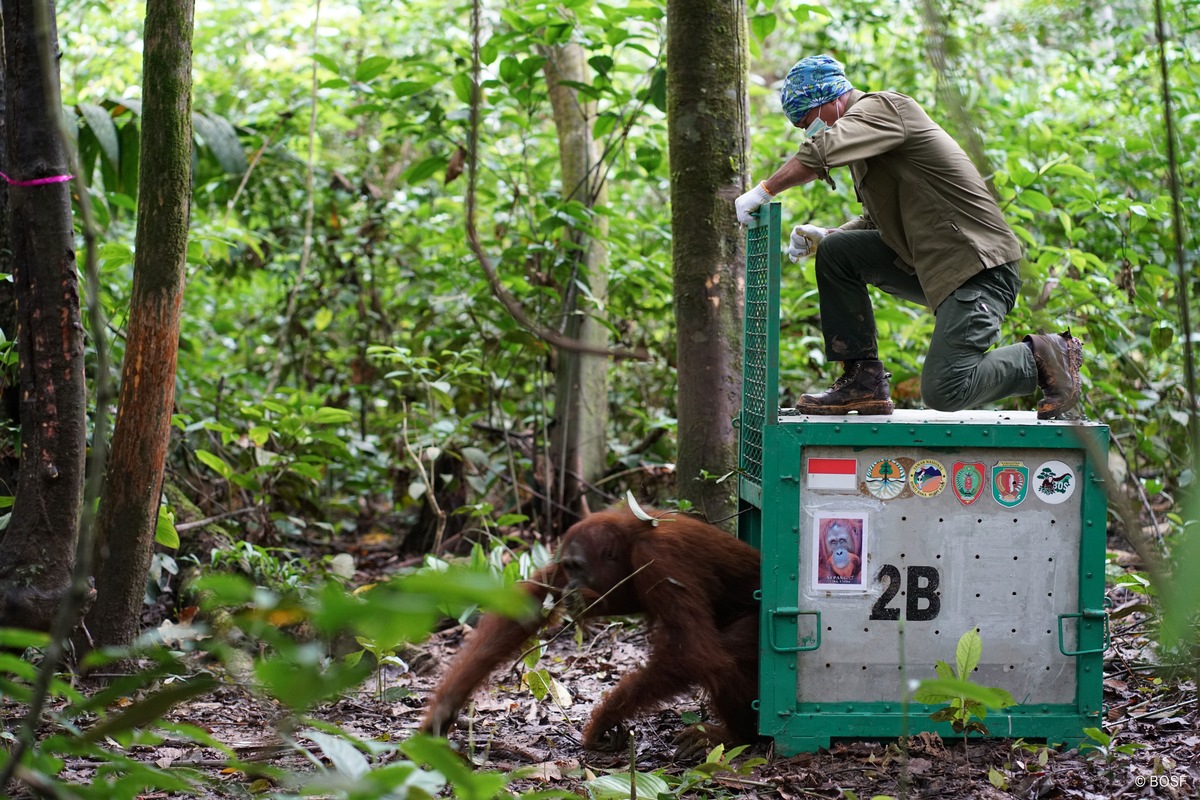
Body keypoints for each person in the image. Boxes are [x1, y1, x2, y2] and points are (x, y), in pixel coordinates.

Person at [734, 54, 1082, 419]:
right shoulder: (866, 147)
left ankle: (1048, 354)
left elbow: (822, 150)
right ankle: (861, 381)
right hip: (936, 266)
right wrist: (825, 236)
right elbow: (877, 222)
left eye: (808, 122)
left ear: (831, 100)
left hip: (978, 266)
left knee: (946, 388)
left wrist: (764, 190)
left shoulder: (884, 108)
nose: (809, 132)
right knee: (838, 252)